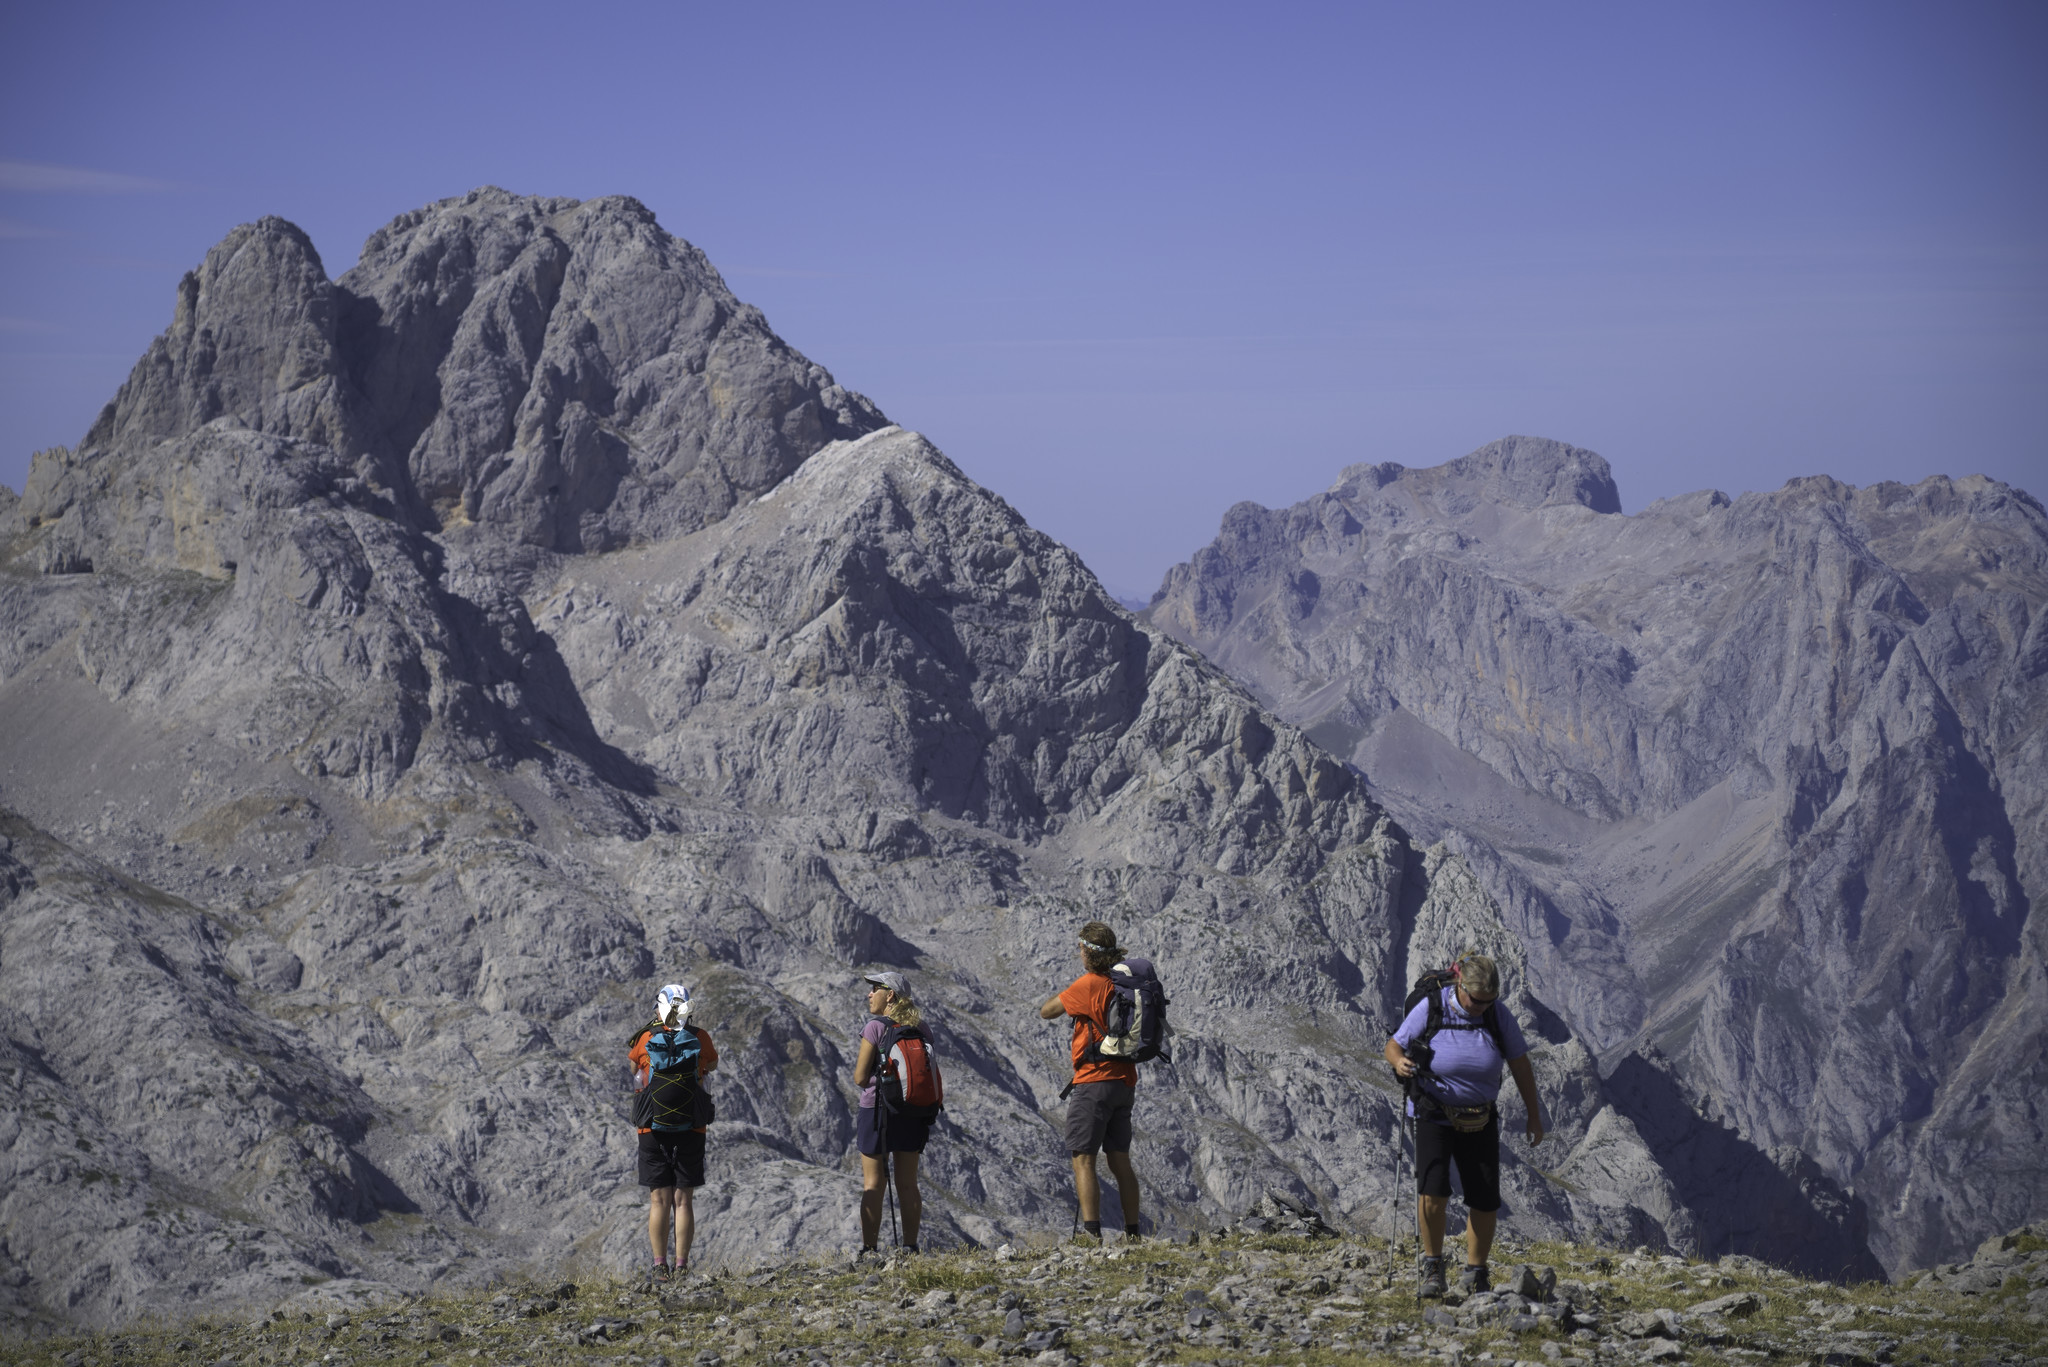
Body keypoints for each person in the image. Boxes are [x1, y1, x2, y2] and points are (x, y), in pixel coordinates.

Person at [1384, 953, 1545, 1297]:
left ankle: (1476, 1272)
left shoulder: (1497, 1016)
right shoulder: (1432, 1007)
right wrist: (1399, 1063)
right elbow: (1394, 1044)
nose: (1481, 1007)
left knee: (1484, 1199)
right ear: (1461, 986)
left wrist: (1534, 1114)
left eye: (1489, 1001)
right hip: (1432, 1113)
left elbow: (1519, 1063)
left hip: (1480, 1118)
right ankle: (1432, 1267)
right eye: (1476, 1000)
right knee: (1433, 1192)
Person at [1038, 920, 1141, 1244]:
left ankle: (1091, 1233)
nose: (1078, 952)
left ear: (1088, 952)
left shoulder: (1089, 984)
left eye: (1080, 948)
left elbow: (1047, 1011)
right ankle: (1133, 1233)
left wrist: (1072, 990)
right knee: (1120, 1159)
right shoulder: (1124, 984)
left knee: (1083, 1158)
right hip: (1124, 1081)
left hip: (1094, 1081)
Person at [629, 982, 718, 1281]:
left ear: (660, 1008)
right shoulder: (699, 1038)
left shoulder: (645, 1038)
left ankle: (659, 1266)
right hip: (692, 1125)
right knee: (683, 1200)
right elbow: (713, 1065)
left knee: (659, 1200)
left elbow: (634, 1070)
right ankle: (681, 1266)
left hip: (651, 1128)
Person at [853, 970, 932, 1258]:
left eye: (875, 988)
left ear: (890, 995)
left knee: (874, 1183)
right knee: (908, 1183)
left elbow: (860, 1078)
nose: (869, 994)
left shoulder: (875, 1027)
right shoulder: (922, 1030)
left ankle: (870, 1250)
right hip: (913, 1111)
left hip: (876, 1111)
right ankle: (910, 1247)